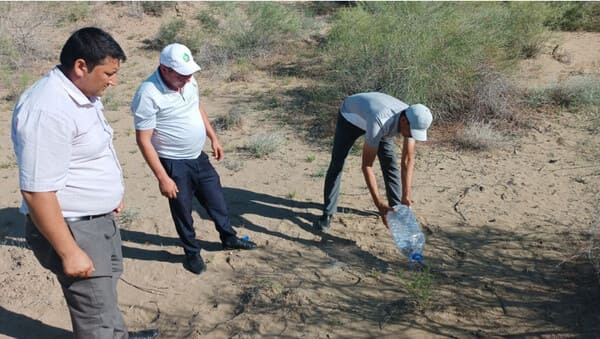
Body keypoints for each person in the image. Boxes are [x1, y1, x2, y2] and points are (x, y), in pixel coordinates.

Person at [11, 27, 158, 339]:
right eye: (109, 73)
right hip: (75, 230)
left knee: (103, 295)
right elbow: (37, 192)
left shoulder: (82, 94)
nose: (113, 81)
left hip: (96, 220)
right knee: (95, 316)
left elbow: (91, 151)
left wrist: (109, 194)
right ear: (81, 66)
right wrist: (69, 252)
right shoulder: (47, 109)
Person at [131, 43, 256, 275]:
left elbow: (196, 106)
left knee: (216, 200)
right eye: (182, 75)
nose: (188, 80)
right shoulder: (148, 94)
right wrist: (163, 178)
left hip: (198, 157)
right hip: (173, 163)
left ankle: (229, 237)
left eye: (190, 74)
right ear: (165, 69)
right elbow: (144, 140)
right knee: (183, 211)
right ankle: (192, 253)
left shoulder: (188, 80)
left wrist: (213, 137)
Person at [316, 92, 433, 231]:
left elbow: (407, 160)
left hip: (377, 118)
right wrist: (379, 205)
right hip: (351, 117)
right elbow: (367, 166)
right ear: (403, 121)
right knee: (338, 162)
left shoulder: (411, 118)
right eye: (413, 132)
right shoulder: (382, 121)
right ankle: (328, 213)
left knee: (390, 164)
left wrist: (406, 196)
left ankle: (396, 209)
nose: (413, 135)